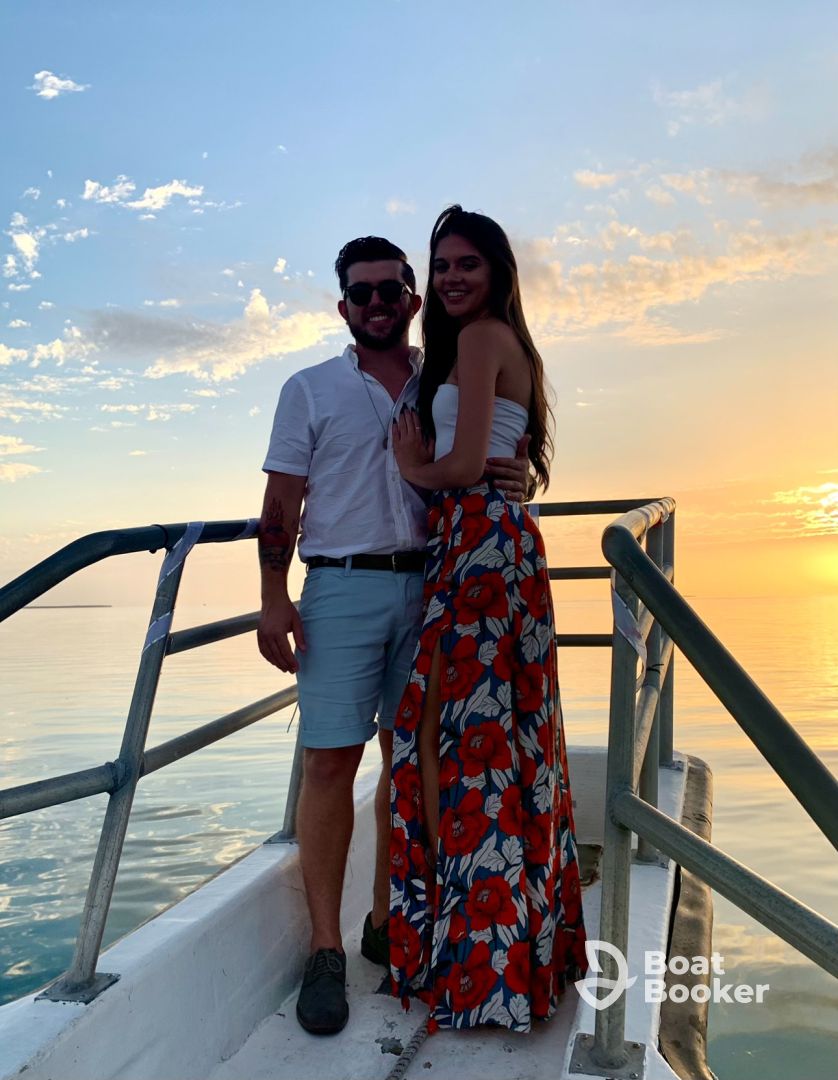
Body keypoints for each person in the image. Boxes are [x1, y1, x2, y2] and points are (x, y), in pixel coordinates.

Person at [256, 235, 530, 1036]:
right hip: (340, 587)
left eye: (390, 289)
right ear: (343, 304)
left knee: (412, 762)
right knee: (330, 761)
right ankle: (325, 950)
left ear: (413, 299)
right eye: (361, 292)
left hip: (437, 584)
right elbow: (281, 504)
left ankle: (389, 924)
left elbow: (493, 445)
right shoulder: (308, 388)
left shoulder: (442, 378)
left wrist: (520, 478)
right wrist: (273, 599)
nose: (376, 303)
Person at [388, 206, 587, 1033]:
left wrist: (413, 464)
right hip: (496, 545)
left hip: (476, 544)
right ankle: (508, 945)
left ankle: (470, 949)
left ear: (498, 270)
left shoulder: (477, 340)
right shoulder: (511, 345)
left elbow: (468, 463)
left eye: (466, 263)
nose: (451, 278)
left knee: (451, 738)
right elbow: (506, 455)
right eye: (441, 266)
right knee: (507, 735)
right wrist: (494, 478)